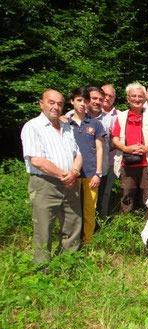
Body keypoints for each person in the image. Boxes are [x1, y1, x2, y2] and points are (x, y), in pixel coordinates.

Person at [21, 89, 83, 265]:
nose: (56, 107)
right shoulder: (33, 127)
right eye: (51, 102)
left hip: (70, 183)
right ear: (41, 103)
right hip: (45, 184)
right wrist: (63, 175)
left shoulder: (66, 127)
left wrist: (75, 172)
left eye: (59, 104)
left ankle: (67, 263)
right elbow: (36, 160)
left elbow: (77, 154)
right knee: (43, 227)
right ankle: (42, 269)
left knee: (72, 224)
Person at [112, 83, 148, 212]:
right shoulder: (121, 116)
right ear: (128, 98)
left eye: (140, 96)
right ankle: (126, 224)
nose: (137, 99)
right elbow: (115, 139)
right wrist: (126, 148)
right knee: (126, 194)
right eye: (133, 96)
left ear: (144, 98)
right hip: (127, 162)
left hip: (147, 163)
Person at [68, 87, 106, 244]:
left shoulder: (95, 124)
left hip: (91, 174)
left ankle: (88, 241)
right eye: (79, 100)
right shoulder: (65, 123)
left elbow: (100, 149)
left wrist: (98, 173)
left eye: (85, 101)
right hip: (71, 174)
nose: (83, 104)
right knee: (72, 210)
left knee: (89, 210)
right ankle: (73, 241)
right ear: (72, 101)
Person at [97, 84, 118, 218]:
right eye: (104, 94)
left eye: (110, 96)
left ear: (114, 98)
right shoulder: (90, 113)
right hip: (91, 161)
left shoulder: (120, 115)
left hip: (111, 161)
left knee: (106, 191)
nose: (107, 98)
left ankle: (101, 218)